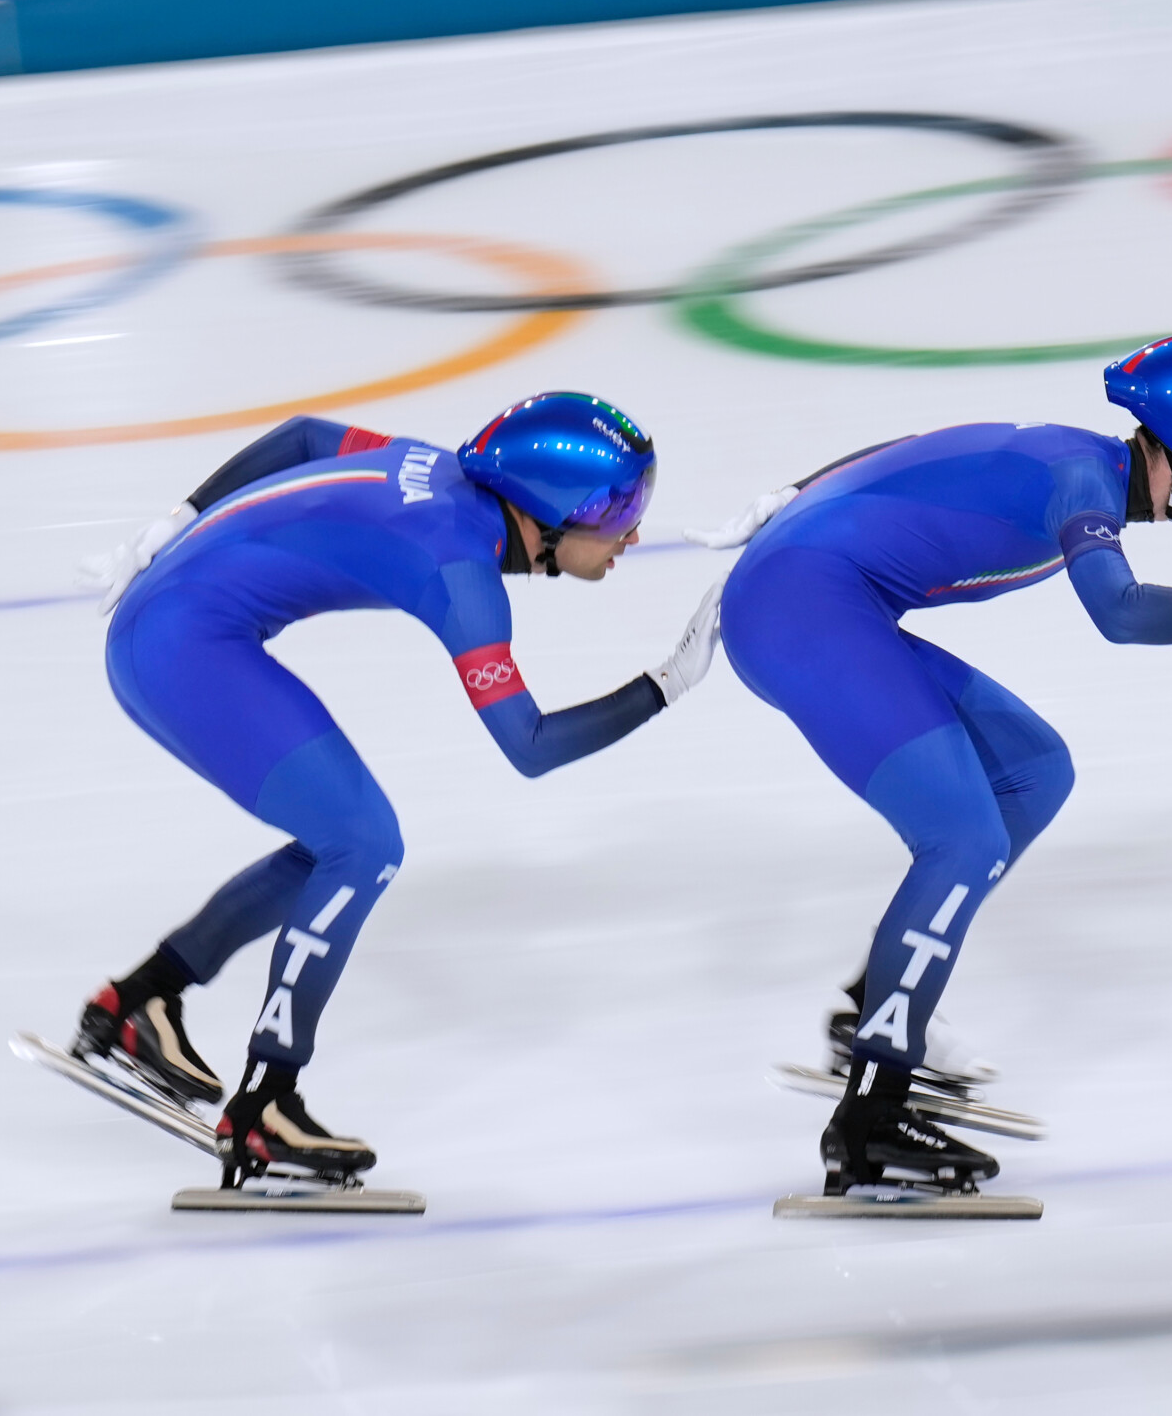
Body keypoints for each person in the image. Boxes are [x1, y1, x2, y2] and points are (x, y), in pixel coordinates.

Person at [694, 334, 1172, 1198]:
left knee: (1033, 770)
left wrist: (794, 493)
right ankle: (871, 1116)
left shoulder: (1076, 459)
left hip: (828, 602)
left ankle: (875, 1001)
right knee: (961, 835)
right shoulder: (1085, 481)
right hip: (799, 611)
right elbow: (1121, 613)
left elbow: (908, 448)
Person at [71, 393, 722, 1189]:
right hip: (181, 648)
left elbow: (305, 434)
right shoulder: (462, 573)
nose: (632, 530)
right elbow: (531, 747)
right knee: (365, 844)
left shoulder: (427, 461)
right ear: (547, 508)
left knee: (337, 842)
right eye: (617, 506)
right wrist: (666, 683)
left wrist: (177, 518)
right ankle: (266, 1105)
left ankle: (141, 1002)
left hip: (169, 628)